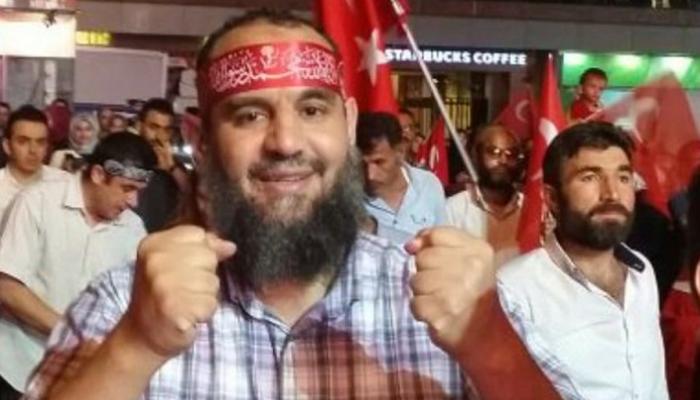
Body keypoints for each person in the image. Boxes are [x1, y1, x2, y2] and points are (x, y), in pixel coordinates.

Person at [23, 10, 569, 400]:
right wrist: (136, 348)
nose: (285, 142)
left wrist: (488, 345)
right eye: (250, 115)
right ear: (204, 144)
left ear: (348, 125)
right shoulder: (122, 307)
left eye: (312, 110)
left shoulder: (467, 308)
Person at [498, 121, 668, 399]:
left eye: (623, 177)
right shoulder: (515, 289)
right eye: (590, 177)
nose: (612, 193)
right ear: (552, 198)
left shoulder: (642, 270)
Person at [0, 133, 156, 398]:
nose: (134, 201)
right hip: (17, 368)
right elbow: (8, 287)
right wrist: (71, 332)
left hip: (80, 381)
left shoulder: (133, 229)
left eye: (138, 191)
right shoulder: (38, 202)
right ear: (98, 174)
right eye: (127, 188)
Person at [357, 111, 447, 243]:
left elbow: (442, 242)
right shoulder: (349, 198)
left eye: (379, 162)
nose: (370, 175)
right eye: (363, 164)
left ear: (399, 152)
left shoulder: (428, 185)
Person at [446, 124, 524, 266]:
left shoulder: (531, 210)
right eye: (494, 152)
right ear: (477, 156)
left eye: (510, 154)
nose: (503, 160)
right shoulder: (453, 209)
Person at [0, 106, 68, 219]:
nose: (33, 150)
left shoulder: (65, 183)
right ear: (7, 146)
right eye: (23, 142)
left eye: (40, 142)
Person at [134, 99, 186, 232]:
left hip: (163, 239)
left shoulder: (176, 166)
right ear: (139, 126)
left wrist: (172, 168)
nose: (159, 136)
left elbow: (193, 194)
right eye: (153, 127)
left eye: (166, 130)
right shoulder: (127, 157)